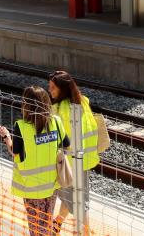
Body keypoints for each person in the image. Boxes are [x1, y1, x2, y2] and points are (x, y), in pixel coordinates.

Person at [0, 86, 69, 236]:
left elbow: (15, 152)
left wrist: (6, 137)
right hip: (52, 184)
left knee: (36, 227)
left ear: (26, 105)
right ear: (46, 103)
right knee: (47, 221)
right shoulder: (56, 122)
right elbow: (66, 144)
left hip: (32, 187)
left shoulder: (21, 127)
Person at [48, 71, 100, 235]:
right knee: (74, 198)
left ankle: (84, 233)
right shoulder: (82, 102)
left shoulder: (57, 110)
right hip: (82, 161)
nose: (50, 90)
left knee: (78, 204)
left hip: (67, 164)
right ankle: (58, 222)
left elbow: (53, 138)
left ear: (62, 89)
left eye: (52, 87)